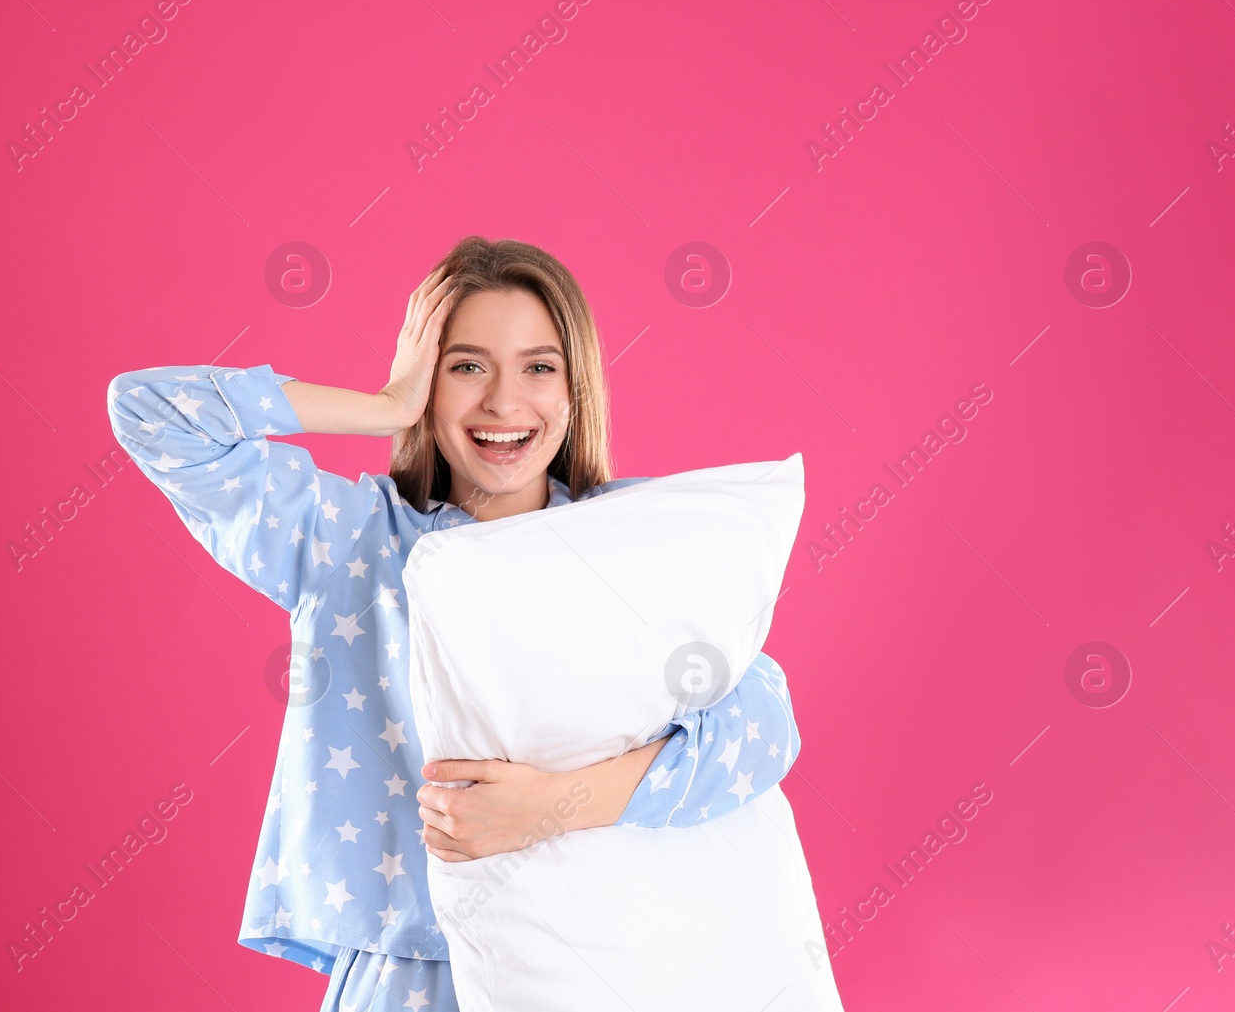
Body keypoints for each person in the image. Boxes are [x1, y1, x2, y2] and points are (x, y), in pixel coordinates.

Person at [107, 236, 805, 1011]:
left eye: (539, 367)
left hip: (593, 965)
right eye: (466, 366)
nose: (505, 403)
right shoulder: (353, 541)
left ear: (576, 390)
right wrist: (382, 407)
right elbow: (152, 412)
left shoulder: (626, 537)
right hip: (409, 976)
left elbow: (761, 724)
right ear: (428, 383)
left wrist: (550, 804)